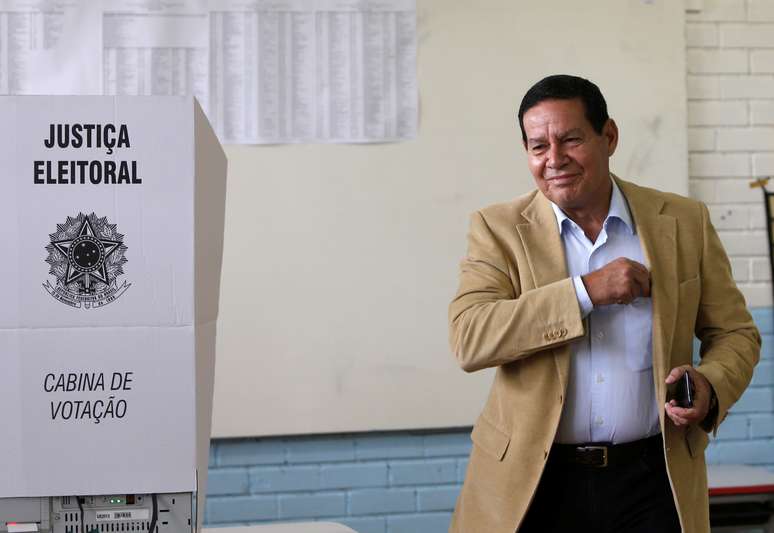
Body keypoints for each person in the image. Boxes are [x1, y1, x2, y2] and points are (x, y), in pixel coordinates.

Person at [448, 74, 761, 533]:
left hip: (654, 478)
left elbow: (735, 333)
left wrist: (710, 385)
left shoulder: (683, 221)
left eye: (570, 139)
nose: (554, 159)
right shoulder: (497, 229)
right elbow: (470, 337)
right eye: (538, 146)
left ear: (609, 136)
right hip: (535, 481)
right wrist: (586, 291)